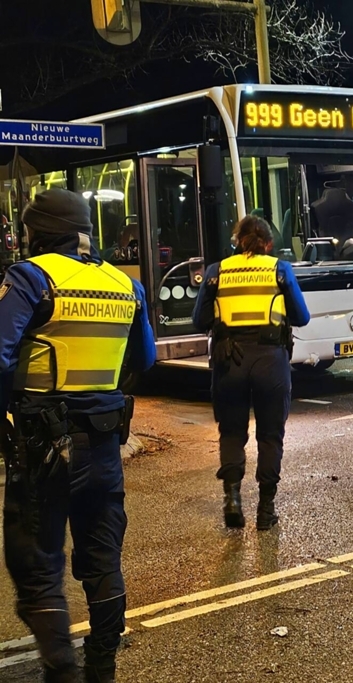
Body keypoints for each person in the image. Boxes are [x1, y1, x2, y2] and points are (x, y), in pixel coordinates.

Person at [0, 189, 157, 683]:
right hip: (106, 442)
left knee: (36, 561)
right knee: (102, 556)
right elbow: (145, 360)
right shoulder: (123, 284)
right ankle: (101, 669)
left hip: (42, 444)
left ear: (37, 233)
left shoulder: (30, 277)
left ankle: (62, 672)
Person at [191, 216, 310, 530]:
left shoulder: (218, 271)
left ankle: (232, 501)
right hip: (271, 360)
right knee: (270, 435)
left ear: (237, 241)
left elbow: (199, 319)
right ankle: (266, 510)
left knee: (231, 433)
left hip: (230, 360)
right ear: (268, 243)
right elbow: (301, 316)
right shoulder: (279, 269)